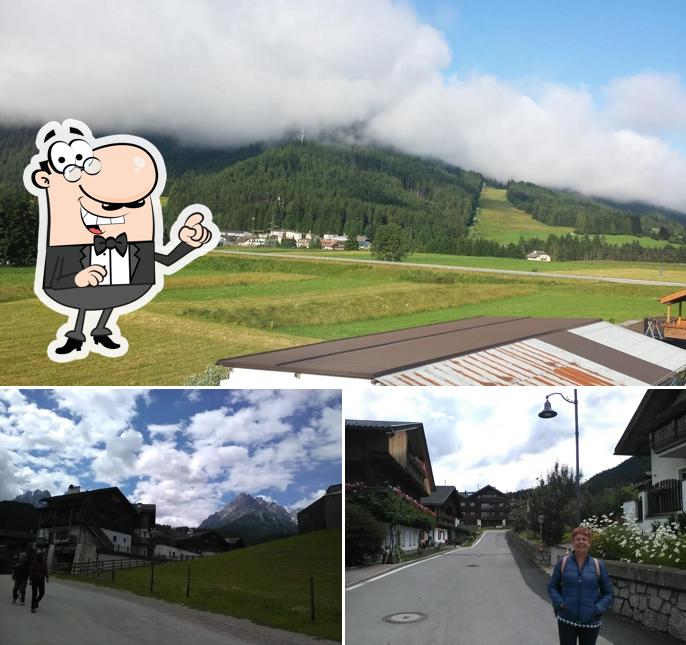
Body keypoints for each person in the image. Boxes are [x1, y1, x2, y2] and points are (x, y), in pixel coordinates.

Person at [547, 526, 614, 645]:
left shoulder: (598, 565)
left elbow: (608, 593)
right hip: (566, 619)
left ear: (589, 543)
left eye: (584, 539)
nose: (581, 542)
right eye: (577, 539)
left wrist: (597, 609)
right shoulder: (563, 563)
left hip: (591, 621)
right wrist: (560, 603)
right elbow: (552, 587)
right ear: (573, 542)